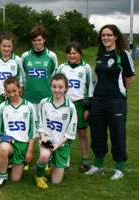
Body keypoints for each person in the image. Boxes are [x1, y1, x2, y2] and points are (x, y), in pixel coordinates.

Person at [86, 24, 135, 180]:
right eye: (103, 35)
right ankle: (98, 166)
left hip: (116, 101)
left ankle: (119, 168)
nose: (105, 38)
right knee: (97, 133)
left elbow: (130, 77)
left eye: (108, 35)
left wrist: (121, 93)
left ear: (116, 36)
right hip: (98, 100)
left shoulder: (123, 55)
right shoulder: (99, 55)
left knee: (117, 134)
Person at [56, 42, 95, 172]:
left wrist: (88, 108)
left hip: (80, 104)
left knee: (82, 132)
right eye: (69, 53)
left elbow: (90, 87)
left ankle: (85, 160)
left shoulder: (86, 68)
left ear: (80, 54)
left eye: (75, 53)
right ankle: (63, 161)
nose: (72, 56)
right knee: (62, 133)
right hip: (65, 104)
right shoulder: (62, 68)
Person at [0, 76, 38, 189]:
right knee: (3, 148)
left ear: (19, 89)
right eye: (8, 92)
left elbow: (33, 132)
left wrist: (29, 151)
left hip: (22, 144)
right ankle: (2, 178)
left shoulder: (29, 107)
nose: (12, 94)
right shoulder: (3, 107)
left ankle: (11, 162)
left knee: (15, 179)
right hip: (8, 140)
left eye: (14, 91)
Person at [35, 73, 77, 189]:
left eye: (60, 87)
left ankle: (52, 164)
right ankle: (38, 176)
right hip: (47, 139)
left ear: (66, 88)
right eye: (54, 87)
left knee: (56, 182)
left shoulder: (70, 107)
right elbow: (40, 123)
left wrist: (59, 144)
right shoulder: (44, 103)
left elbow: (71, 131)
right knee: (44, 156)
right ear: (51, 87)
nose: (57, 90)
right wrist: (43, 138)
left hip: (62, 144)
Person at [21, 26, 58, 111]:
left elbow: (54, 77)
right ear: (31, 41)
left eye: (39, 40)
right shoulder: (25, 56)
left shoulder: (52, 56)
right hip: (29, 98)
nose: (37, 42)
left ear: (44, 39)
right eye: (34, 40)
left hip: (46, 98)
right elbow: (23, 78)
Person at [0, 32, 23, 105]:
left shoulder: (17, 60)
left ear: (13, 46)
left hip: (12, 96)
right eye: (4, 46)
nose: (6, 49)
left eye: (9, 46)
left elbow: (20, 80)